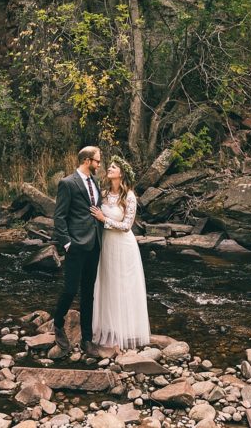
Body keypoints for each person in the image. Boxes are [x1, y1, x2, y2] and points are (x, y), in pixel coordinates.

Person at [89, 156, 150, 350]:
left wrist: (103, 218)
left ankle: (125, 330)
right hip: (106, 244)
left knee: (122, 285)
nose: (110, 168)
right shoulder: (104, 193)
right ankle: (107, 328)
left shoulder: (129, 196)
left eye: (114, 167)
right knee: (107, 283)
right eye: (110, 166)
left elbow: (126, 226)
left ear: (121, 173)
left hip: (123, 245)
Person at [52, 146, 103, 357]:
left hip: (94, 245)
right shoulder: (67, 183)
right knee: (70, 289)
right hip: (75, 245)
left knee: (88, 293)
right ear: (87, 160)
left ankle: (87, 340)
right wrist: (67, 243)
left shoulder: (95, 183)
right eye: (97, 161)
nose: (99, 165)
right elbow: (59, 216)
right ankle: (57, 323)